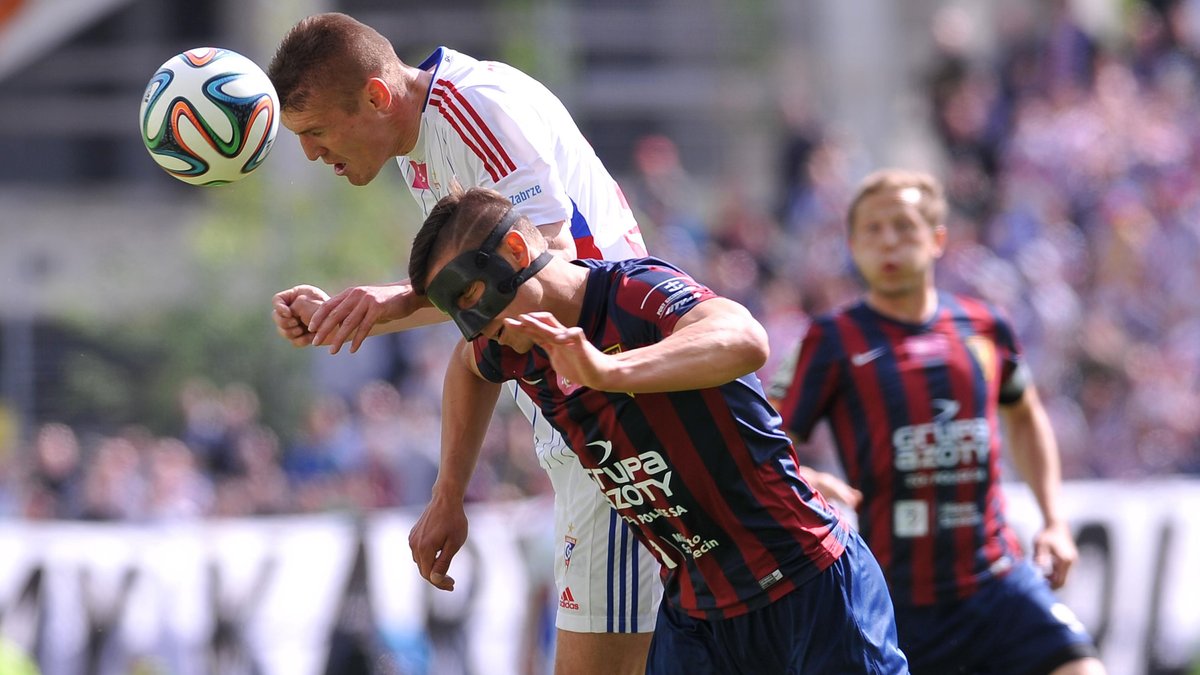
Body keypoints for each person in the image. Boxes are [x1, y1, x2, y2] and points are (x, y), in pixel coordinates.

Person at [264, 13, 659, 674]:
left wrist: (388, 300)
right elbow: (481, 298)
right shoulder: (417, 141)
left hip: (615, 419)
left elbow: (544, 265)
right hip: (586, 423)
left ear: (376, 97)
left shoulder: (475, 110)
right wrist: (353, 311)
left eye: (316, 132)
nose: (310, 154)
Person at [405, 186, 910, 674]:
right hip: (697, 614)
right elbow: (467, 368)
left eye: (470, 295)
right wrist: (448, 495)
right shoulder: (509, 341)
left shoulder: (631, 290)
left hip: (806, 584)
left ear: (515, 250)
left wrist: (608, 372)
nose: (474, 324)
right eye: (457, 313)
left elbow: (745, 337)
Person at [769, 168, 1106, 674]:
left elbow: (1026, 414)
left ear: (937, 239)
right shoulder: (833, 339)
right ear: (852, 245)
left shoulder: (985, 326)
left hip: (997, 580)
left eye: (903, 226)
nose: (888, 242)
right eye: (873, 230)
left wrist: (1054, 521)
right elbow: (769, 438)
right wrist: (802, 476)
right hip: (896, 598)